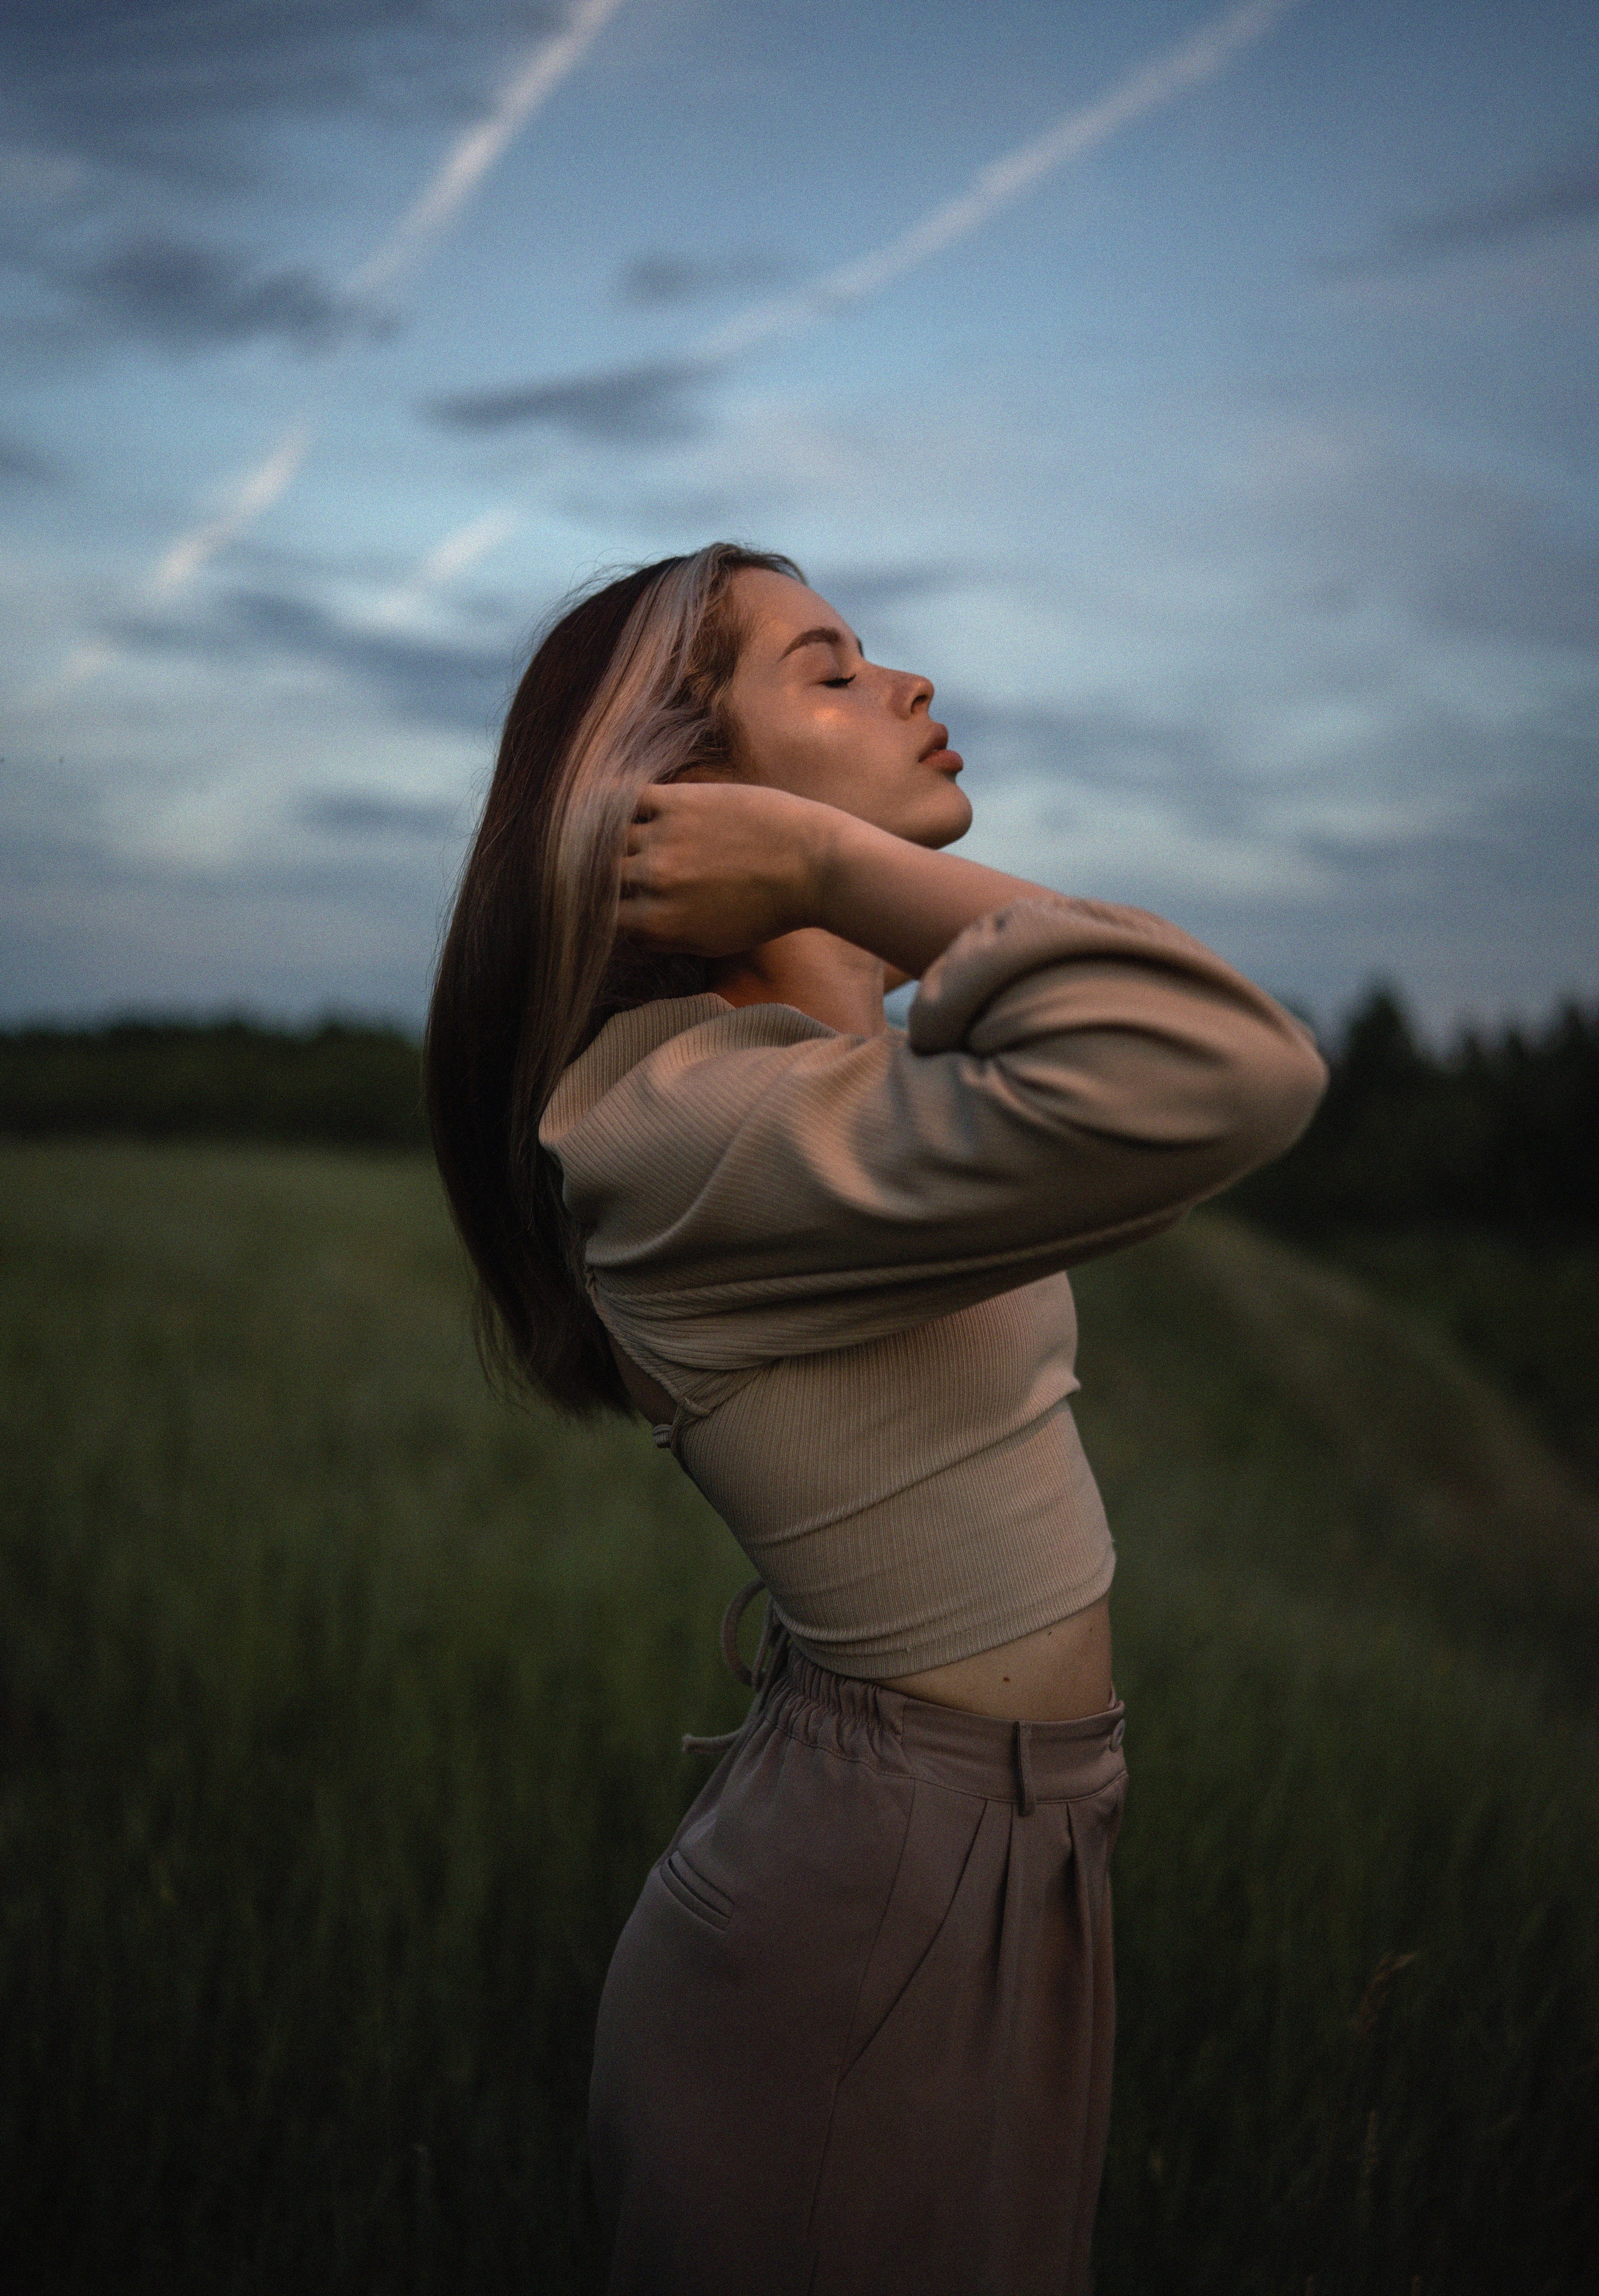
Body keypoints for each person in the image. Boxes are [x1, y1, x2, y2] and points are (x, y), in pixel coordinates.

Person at [424, 543, 1327, 2295]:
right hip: (878, 1902)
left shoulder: (846, 1093)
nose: (906, 684)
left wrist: (839, 889)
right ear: (688, 805)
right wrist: (836, 866)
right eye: (830, 673)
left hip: (1000, 1854)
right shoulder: (686, 1127)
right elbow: (1236, 1065)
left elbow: (1148, 1052)